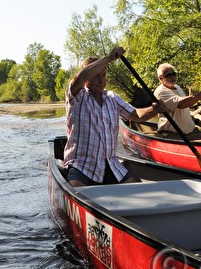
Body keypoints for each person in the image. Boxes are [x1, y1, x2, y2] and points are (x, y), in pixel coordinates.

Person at [63, 46, 160, 187]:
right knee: (77, 190)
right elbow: (79, 78)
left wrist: (153, 109)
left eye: (103, 75)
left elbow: (136, 115)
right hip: (82, 166)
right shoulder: (77, 95)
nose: (101, 80)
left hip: (111, 166)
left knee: (138, 191)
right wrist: (108, 58)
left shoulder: (112, 98)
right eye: (95, 76)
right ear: (86, 79)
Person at [153, 63, 201, 138]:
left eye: (173, 74)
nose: (172, 77)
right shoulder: (161, 92)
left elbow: (184, 111)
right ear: (160, 78)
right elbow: (182, 104)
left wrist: (197, 121)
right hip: (173, 134)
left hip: (191, 132)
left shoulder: (178, 88)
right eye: (168, 75)